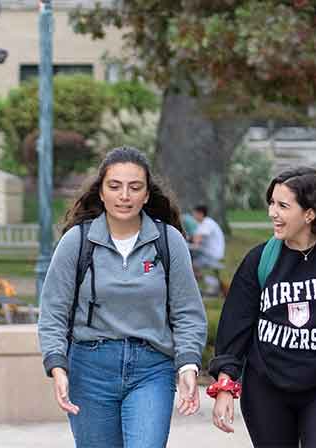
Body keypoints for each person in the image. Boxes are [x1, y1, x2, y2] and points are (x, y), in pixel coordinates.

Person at [38, 147, 207, 448]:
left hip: (152, 369)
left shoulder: (169, 241)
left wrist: (188, 365)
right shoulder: (76, 241)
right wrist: (57, 365)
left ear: (146, 195)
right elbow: (53, 312)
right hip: (89, 369)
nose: (124, 195)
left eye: (135, 187)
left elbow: (188, 313)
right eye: (114, 186)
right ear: (101, 192)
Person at [209, 167, 316, 447]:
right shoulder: (259, 260)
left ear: (310, 214)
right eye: (271, 203)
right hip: (266, 388)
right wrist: (225, 386)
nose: (272, 212)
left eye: (283, 205)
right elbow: (234, 327)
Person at [189, 205, 226, 293]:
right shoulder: (204, 223)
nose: (193, 216)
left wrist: (190, 239)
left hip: (212, 254)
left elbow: (196, 240)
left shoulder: (207, 223)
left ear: (200, 214)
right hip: (208, 252)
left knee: (190, 265)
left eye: (194, 214)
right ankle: (203, 285)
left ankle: (213, 284)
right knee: (191, 263)